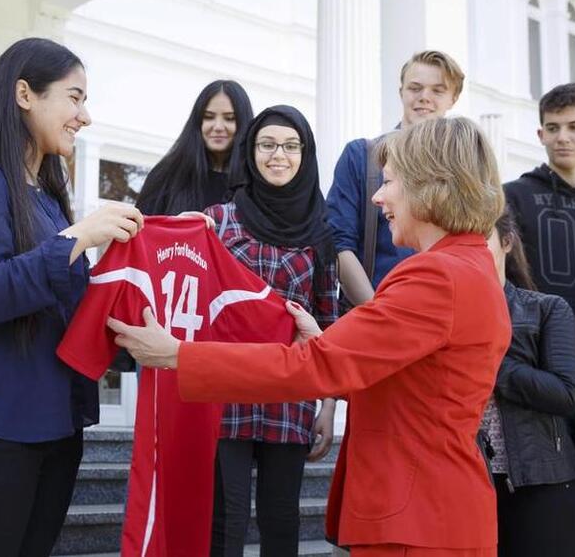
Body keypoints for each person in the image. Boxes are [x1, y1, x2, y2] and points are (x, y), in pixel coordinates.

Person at [110, 116, 509, 557]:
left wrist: (179, 356)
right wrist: (328, 337)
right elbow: (417, 385)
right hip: (436, 513)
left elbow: (316, 365)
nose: (377, 196)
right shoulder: (470, 269)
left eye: (390, 182)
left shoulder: (436, 275)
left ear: (431, 185)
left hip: (418, 521)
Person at [0, 37, 144, 557]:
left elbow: (68, 315)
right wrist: (79, 238)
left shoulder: (46, 199)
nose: (84, 116)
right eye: (75, 96)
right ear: (24, 94)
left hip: (54, 429)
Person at [204, 105, 338, 557]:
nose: (277, 155)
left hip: (291, 395)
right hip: (226, 392)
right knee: (227, 518)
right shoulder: (219, 221)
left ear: (305, 154)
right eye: (266, 145)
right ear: (250, 151)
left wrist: (328, 406)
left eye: (289, 145)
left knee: (281, 520)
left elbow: (328, 321)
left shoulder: (322, 233)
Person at [503, 82, 575, 525]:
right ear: (540, 134)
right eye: (553, 127)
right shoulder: (515, 196)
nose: (563, 136)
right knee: (549, 501)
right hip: (542, 370)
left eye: (574, 126)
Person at [481, 208, 575, 557]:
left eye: (482, 238)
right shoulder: (437, 311)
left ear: (507, 242)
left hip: (542, 483)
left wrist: (488, 360)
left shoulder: (547, 309)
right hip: (464, 482)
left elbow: (568, 393)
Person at [326, 50, 465, 306]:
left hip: (440, 313)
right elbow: (338, 243)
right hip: (371, 313)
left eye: (437, 90)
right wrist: (376, 314)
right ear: (401, 91)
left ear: (453, 98)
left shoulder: (462, 167)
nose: (424, 97)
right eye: (415, 88)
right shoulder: (362, 156)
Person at [136, 79, 253, 215]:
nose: (218, 127)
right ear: (197, 122)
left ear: (243, 124)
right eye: (208, 117)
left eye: (229, 118)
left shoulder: (256, 184)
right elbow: (143, 229)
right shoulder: (166, 175)